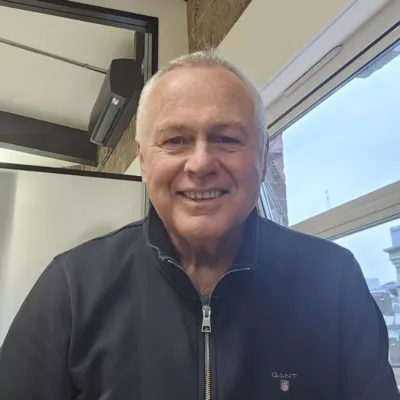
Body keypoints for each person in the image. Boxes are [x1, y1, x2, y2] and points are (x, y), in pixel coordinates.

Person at [0, 50, 398, 400]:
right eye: (176, 140)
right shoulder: (72, 287)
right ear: (144, 161)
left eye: (227, 139)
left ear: (262, 159)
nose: (201, 163)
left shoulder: (334, 280)